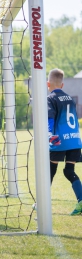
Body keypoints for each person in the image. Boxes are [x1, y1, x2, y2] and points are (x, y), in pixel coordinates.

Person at [47, 68, 82, 215]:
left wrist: (49, 134)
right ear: (62, 85)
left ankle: (41, 203)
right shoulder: (70, 98)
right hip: (74, 141)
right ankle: (81, 200)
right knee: (69, 171)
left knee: (50, 171)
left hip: (59, 142)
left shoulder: (50, 98)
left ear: (48, 84)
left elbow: (50, 118)